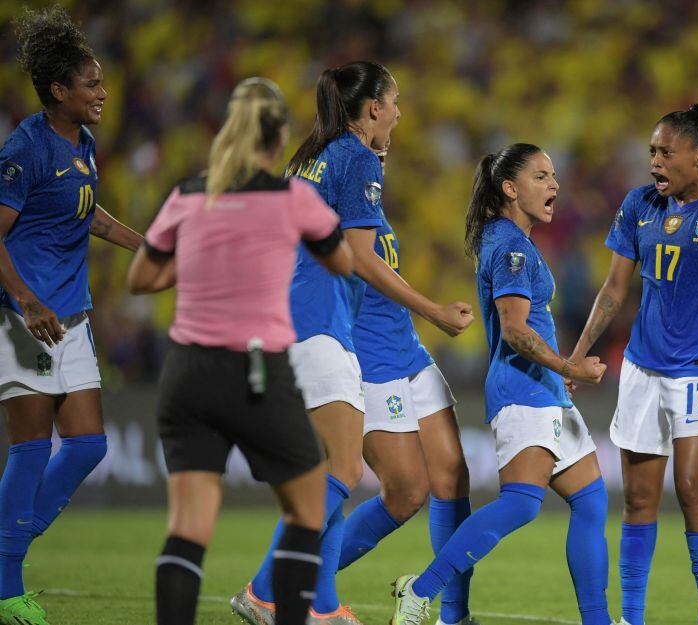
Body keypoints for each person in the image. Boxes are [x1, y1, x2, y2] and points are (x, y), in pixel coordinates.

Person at [230, 61, 472, 625]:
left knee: (362, 477)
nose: (398, 113)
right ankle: (288, 595)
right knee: (338, 472)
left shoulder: (312, 160)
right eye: (393, 102)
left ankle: (298, 598)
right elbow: (360, 259)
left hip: (300, 324)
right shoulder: (355, 157)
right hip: (322, 327)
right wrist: (434, 310)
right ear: (371, 109)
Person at [127, 77, 354, 625]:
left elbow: (141, 277)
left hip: (186, 374)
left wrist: (207, 262)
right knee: (306, 509)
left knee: (187, 528)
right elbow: (342, 262)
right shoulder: (293, 198)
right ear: (279, 144)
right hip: (256, 369)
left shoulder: (188, 194)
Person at [388, 144, 611, 625]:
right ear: (510, 188)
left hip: (542, 387)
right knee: (521, 504)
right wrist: (568, 367)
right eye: (541, 176)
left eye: (554, 175)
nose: (554, 185)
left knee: (592, 499)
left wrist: (557, 370)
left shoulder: (511, 240)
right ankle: (420, 589)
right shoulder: (509, 245)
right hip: (522, 388)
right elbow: (513, 329)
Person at [569, 104, 698, 625]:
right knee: (638, 497)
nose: (655, 161)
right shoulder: (639, 205)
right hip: (642, 368)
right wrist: (575, 355)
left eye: (666, 152)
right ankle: (630, 617)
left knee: (691, 487)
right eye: (652, 152)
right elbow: (614, 291)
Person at [0, 8, 141, 625]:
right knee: (31, 450)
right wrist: (26, 302)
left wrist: (151, 247)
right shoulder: (23, 148)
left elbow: (90, 213)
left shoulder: (81, 143)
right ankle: (7, 589)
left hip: (74, 318)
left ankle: (8, 546)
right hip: (25, 319)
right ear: (59, 91)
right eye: (91, 84)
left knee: (87, 445)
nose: (103, 93)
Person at [335, 115, 476, 625]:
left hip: (411, 354)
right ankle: (296, 585)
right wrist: (433, 309)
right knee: (405, 492)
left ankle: (452, 616)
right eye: (389, 111)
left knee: (452, 477)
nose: (390, 135)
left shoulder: (372, 208)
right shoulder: (334, 195)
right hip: (373, 362)